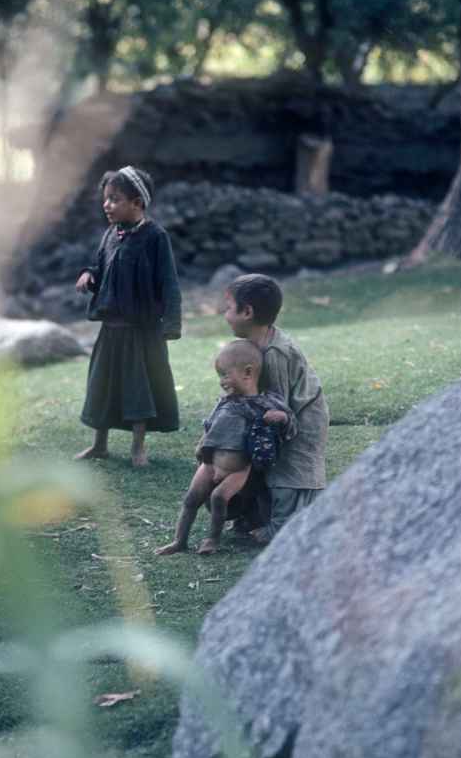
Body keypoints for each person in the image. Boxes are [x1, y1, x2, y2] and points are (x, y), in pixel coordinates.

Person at [75, 166, 181, 467]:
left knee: (138, 389)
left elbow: (169, 282)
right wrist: (88, 275)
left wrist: (171, 325)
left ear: (137, 202)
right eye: (105, 198)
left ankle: (138, 448)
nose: (106, 205)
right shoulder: (111, 234)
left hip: (140, 330)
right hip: (111, 330)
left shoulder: (155, 237)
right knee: (102, 385)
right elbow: (100, 266)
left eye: (114, 199)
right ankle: (99, 445)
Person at [155, 339, 294, 556]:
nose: (222, 381)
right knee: (191, 499)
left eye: (225, 375)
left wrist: (281, 417)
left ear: (247, 373)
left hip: (239, 468)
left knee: (218, 498)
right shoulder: (225, 402)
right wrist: (202, 443)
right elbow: (211, 425)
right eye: (220, 376)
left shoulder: (265, 402)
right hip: (210, 464)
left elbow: (290, 421)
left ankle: (213, 539)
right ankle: (179, 541)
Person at [224, 273, 329, 543]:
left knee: (288, 475)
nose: (225, 315)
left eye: (228, 308)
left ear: (247, 312)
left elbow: (279, 403)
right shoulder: (257, 343)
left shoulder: (274, 354)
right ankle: (257, 514)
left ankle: (281, 526)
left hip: (301, 418)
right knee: (263, 463)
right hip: (282, 416)